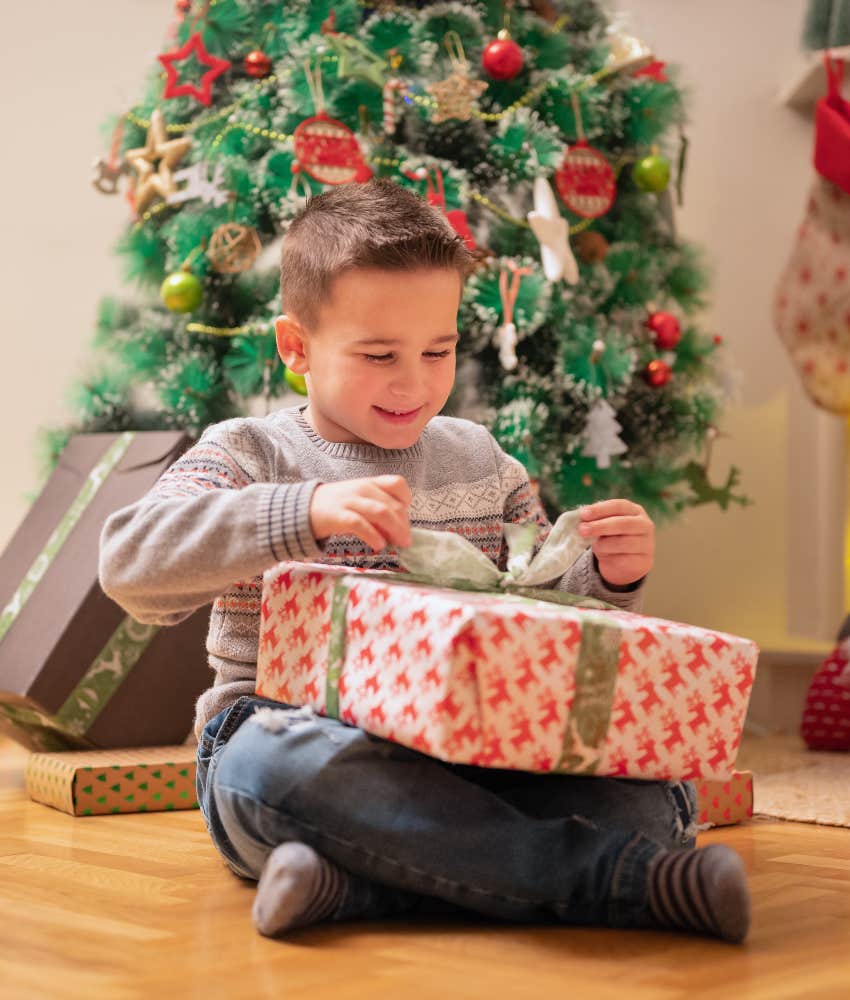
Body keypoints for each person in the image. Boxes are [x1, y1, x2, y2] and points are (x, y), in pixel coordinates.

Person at [99, 179, 750, 944]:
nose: (414, 382)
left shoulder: (481, 460)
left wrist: (605, 576)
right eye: (378, 355)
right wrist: (297, 513)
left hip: (482, 752)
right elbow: (128, 560)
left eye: (437, 350)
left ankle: (358, 887)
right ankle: (617, 881)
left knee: (650, 794)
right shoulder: (251, 453)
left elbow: (540, 613)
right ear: (296, 347)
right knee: (262, 770)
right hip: (295, 733)